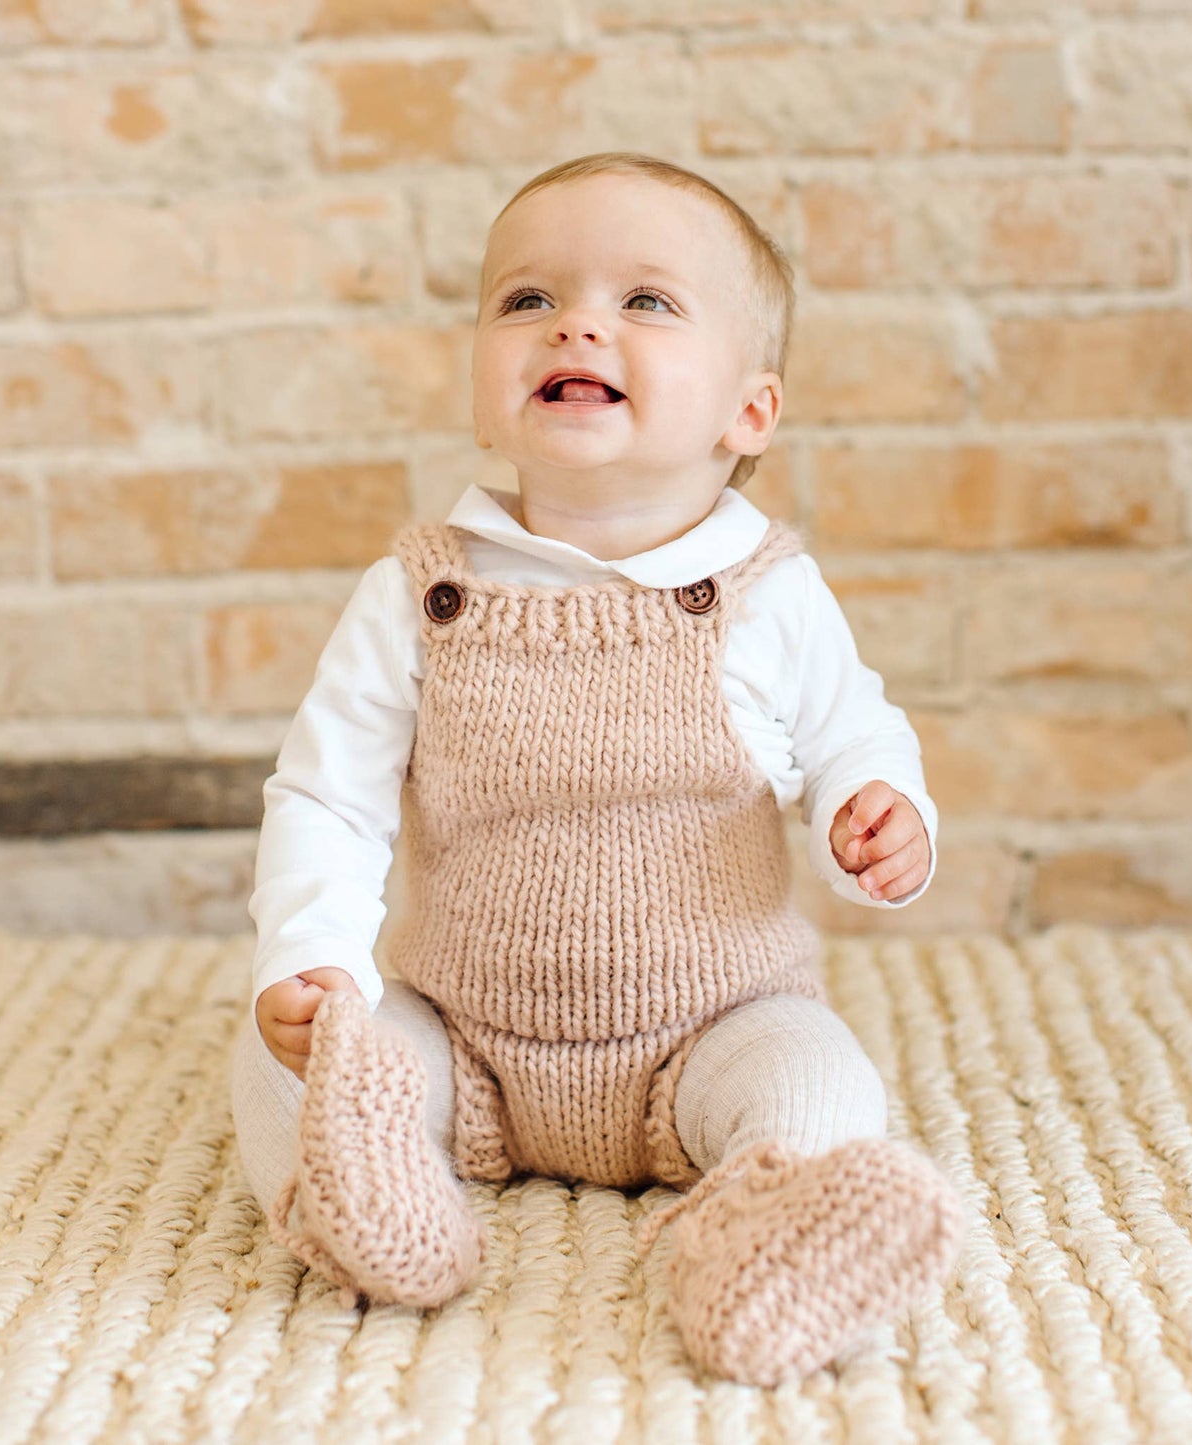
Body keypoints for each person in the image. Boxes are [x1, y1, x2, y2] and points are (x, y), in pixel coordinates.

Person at [232, 151, 962, 1388]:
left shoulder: (765, 593)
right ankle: (362, 1187)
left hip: (709, 1027)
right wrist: (309, 960)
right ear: (479, 387)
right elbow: (327, 798)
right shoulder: (420, 593)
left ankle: (763, 1234)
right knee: (287, 1051)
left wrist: (876, 807)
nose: (574, 320)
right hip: (465, 1034)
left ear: (749, 411)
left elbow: (855, 730)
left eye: (647, 301)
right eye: (525, 299)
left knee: (820, 1071)